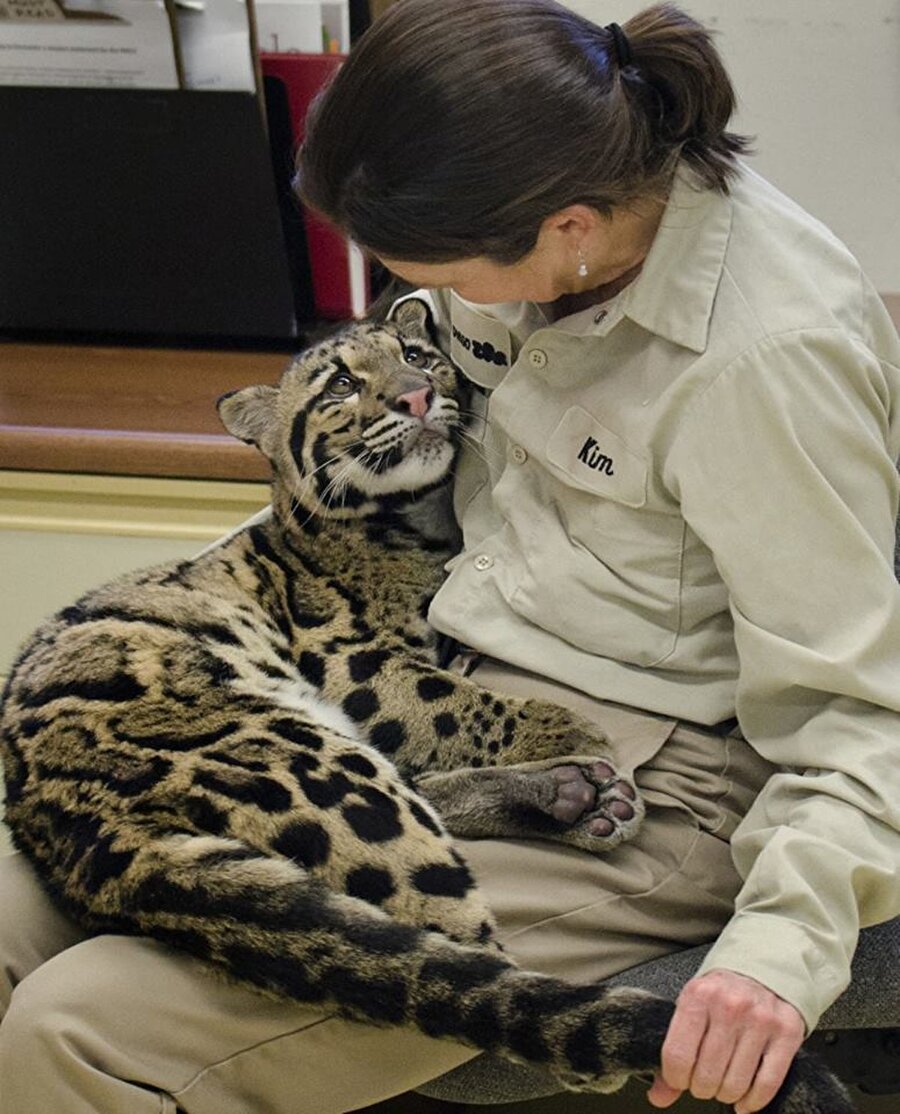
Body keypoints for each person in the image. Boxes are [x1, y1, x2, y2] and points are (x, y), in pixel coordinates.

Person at [0, 2, 897, 1112]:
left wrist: (778, 955)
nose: (427, 312)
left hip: (654, 780)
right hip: (446, 693)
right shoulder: (544, 215)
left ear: (567, 229)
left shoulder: (763, 364)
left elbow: (859, 717)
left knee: (77, 1029)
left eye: (447, 277)